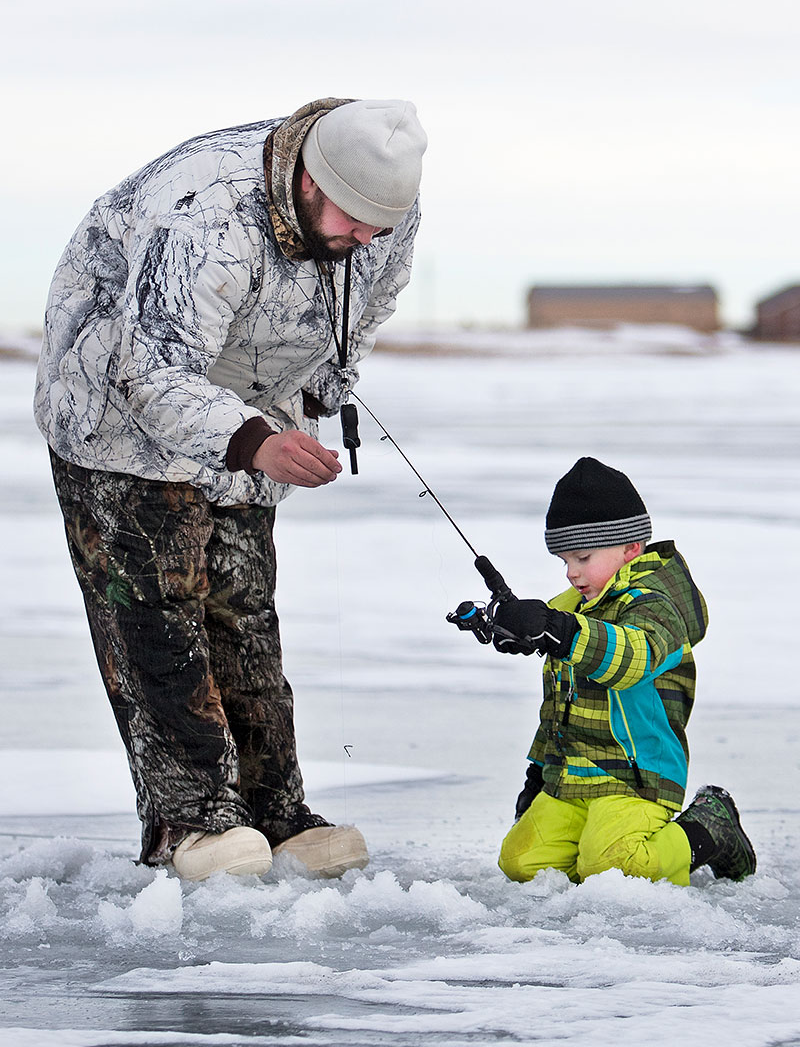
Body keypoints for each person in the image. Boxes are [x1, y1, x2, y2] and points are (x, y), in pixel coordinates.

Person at [34, 97, 428, 881]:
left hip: (247, 396)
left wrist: (320, 392)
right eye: (352, 221)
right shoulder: (207, 213)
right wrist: (256, 441)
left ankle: (275, 815)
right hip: (119, 409)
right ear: (310, 182)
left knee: (241, 608)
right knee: (158, 610)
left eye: (379, 228)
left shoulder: (382, 208)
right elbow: (148, 368)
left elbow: (369, 302)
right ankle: (193, 824)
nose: (365, 240)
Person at [489, 456, 756, 886]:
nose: (572, 572)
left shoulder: (655, 607)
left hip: (636, 777)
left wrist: (560, 631)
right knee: (521, 863)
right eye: (564, 561)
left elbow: (632, 658)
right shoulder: (571, 609)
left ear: (630, 547)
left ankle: (708, 827)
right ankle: (594, 845)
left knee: (612, 866)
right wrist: (538, 773)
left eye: (582, 557)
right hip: (572, 777)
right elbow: (557, 706)